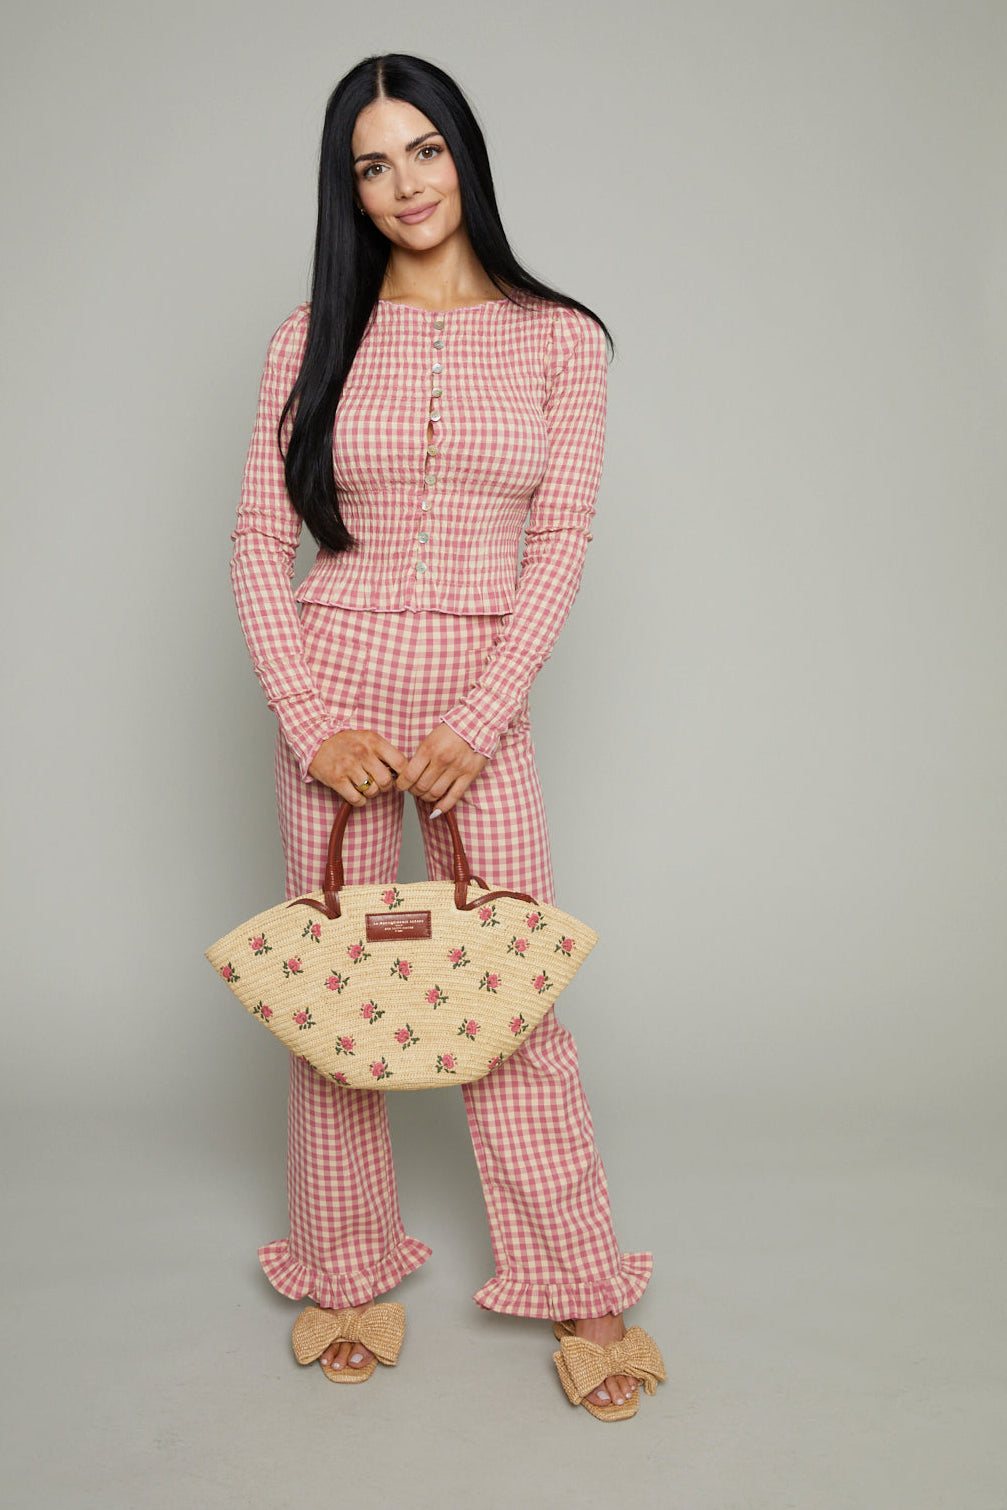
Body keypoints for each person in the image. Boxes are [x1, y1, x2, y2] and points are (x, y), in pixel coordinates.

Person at [230, 52, 666, 1421]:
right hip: (336, 688)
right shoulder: (309, 337)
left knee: (514, 998)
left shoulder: (562, 338)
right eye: (372, 164)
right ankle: (344, 1264)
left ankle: (577, 1278)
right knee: (333, 998)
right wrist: (312, 720)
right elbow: (257, 543)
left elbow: (562, 542)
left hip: (485, 694)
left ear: (464, 153)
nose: (404, 185)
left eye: (423, 150)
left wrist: (482, 717)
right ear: (348, 189)